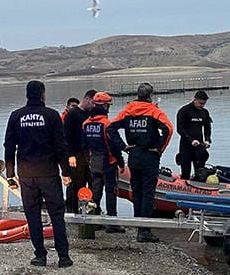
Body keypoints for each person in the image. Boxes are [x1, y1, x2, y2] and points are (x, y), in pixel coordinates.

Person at [5, 80, 74, 268]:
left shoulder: (16, 116)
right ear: (43, 95)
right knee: (57, 214)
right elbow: (60, 146)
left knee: (32, 214)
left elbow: (9, 146)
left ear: (27, 95)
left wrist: (10, 174)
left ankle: (40, 255)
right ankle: (63, 256)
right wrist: (66, 171)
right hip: (48, 172)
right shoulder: (51, 115)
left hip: (26, 173)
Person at [106, 82, 172, 242]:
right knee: (148, 192)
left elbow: (110, 128)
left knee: (137, 191)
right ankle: (144, 230)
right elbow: (168, 129)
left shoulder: (128, 110)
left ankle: (138, 226)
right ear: (150, 96)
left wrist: (123, 146)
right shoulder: (154, 111)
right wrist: (159, 149)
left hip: (134, 155)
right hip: (149, 155)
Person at [81, 91, 124, 229]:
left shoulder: (85, 124)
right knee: (111, 192)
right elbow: (114, 146)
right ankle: (112, 223)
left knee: (95, 192)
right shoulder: (107, 124)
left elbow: (84, 145)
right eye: (108, 105)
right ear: (105, 106)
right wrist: (121, 162)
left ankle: (94, 221)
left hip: (94, 162)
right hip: (108, 163)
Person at [62, 89, 95, 203]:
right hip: (76, 154)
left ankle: (91, 207)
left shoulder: (92, 113)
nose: (94, 106)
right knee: (75, 185)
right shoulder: (72, 114)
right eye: (93, 103)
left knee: (92, 183)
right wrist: (70, 155)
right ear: (87, 99)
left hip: (89, 154)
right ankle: (72, 208)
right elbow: (66, 137)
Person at [175, 90, 213, 180]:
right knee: (185, 172)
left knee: (200, 172)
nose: (202, 106)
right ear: (195, 100)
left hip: (199, 146)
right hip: (186, 145)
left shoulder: (204, 112)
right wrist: (191, 140)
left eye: (204, 104)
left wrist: (207, 140)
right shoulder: (184, 111)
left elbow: (207, 127)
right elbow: (180, 129)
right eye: (200, 103)